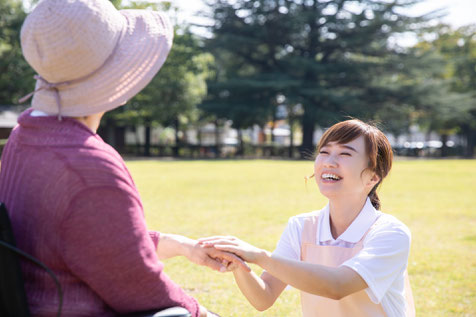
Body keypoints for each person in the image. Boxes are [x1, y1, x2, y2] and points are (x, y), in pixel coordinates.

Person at [0, 0, 248, 316]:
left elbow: (90, 241)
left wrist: (180, 246)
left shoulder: (23, 138)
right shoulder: (87, 167)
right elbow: (139, 289)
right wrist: (201, 312)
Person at [200, 119, 416, 317]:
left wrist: (259, 256)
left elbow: (338, 285)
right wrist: (239, 264)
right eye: (324, 152)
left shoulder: (390, 232)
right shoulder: (301, 226)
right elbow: (263, 297)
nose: (329, 162)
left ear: (373, 176)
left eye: (345, 154)